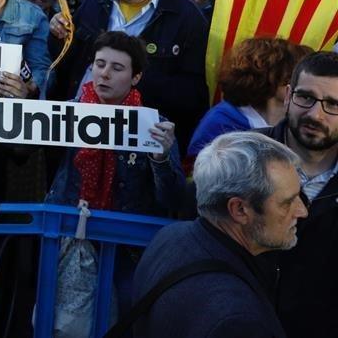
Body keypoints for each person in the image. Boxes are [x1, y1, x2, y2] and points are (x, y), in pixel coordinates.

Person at [125, 132, 304, 338]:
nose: (302, 211)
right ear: (239, 210)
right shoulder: (238, 321)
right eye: (287, 203)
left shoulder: (170, 236)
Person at [49, 0, 208, 146]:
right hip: (81, 137)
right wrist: (58, 35)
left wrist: (131, 82)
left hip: (140, 147)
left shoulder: (187, 19)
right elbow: (70, 61)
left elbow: (193, 96)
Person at [44, 32, 184, 216]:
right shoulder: (66, 112)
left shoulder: (156, 127)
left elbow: (173, 200)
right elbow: (22, 151)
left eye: (117, 68)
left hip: (124, 236)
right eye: (100, 64)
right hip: (67, 227)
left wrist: (161, 160)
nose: (105, 73)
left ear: (136, 77)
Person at [257, 51, 338, 338]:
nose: (315, 114)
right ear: (289, 95)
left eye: (332, 104)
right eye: (306, 97)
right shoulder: (243, 157)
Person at [189, 38, 311, 157]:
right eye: (291, 73)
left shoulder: (300, 120)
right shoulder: (221, 122)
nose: (302, 81)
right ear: (265, 75)